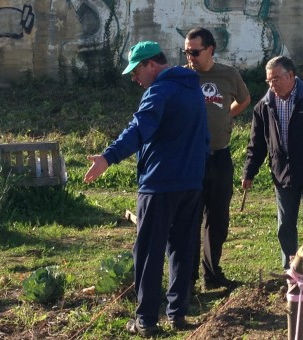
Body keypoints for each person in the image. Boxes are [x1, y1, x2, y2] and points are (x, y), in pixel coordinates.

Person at [84, 41, 209, 337]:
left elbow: (139, 129)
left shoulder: (159, 91)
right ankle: (177, 313)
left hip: (160, 184)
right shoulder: (193, 88)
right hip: (191, 182)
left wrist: (107, 157)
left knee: (149, 251)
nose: (133, 78)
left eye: (135, 71)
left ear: (151, 64)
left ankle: (146, 319)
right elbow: (204, 135)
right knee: (182, 247)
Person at [241, 56, 303, 275]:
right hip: (282, 174)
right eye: (269, 80)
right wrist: (249, 171)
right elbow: (256, 144)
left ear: (291, 76)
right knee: (285, 224)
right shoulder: (264, 106)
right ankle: (291, 267)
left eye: (276, 78)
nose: (272, 84)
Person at [183, 27, 251, 290]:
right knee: (190, 218)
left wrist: (226, 116)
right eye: (187, 51)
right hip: (191, 159)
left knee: (218, 218)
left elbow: (244, 100)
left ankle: (212, 275)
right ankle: (187, 279)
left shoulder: (228, 75)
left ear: (210, 49)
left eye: (195, 51)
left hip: (220, 156)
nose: (190, 57)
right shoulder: (183, 77)